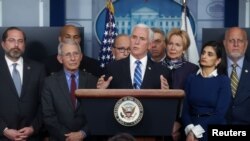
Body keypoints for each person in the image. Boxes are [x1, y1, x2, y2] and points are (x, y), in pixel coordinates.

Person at [41, 39, 97, 141]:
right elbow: (48, 116)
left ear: (81, 56)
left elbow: (96, 114)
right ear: (60, 58)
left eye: (76, 53)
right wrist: (68, 137)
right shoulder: (49, 83)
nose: (73, 58)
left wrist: (83, 133)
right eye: (68, 54)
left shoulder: (93, 81)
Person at [0, 27, 46, 140]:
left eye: (20, 41)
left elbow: (45, 103)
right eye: (11, 40)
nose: (16, 45)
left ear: (24, 45)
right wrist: (3, 130)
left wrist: (33, 127)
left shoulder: (38, 69)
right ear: (3, 44)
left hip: (32, 136)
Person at [181, 41, 231, 141]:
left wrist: (195, 132)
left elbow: (220, 114)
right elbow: (185, 110)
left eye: (210, 54)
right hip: (191, 127)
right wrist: (190, 130)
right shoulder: (191, 78)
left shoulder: (223, 81)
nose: (204, 56)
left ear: (218, 61)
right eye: (203, 53)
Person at [97, 23, 170, 89]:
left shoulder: (162, 72)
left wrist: (166, 94)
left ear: (149, 45)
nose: (137, 42)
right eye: (134, 37)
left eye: (142, 38)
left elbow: (168, 102)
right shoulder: (112, 68)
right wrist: (101, 91)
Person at [162, 28, 199, 141]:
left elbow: (193, 101)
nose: (173, 48)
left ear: (184, 49)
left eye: (178, 45)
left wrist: (179, 122)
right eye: (170, 43)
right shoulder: (155, 67)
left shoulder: (193, 69)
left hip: (183, 123)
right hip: (159, 121)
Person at [223, 27, 250, 124]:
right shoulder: (215, 71)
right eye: (231, 41)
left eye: (240, 41)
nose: (236, 45)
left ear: (246, 44)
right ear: (224, 43)